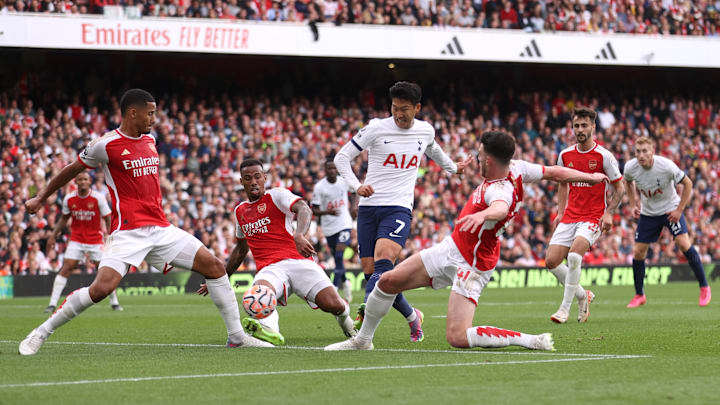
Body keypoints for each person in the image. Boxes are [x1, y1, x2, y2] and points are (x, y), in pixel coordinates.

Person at [19, 89, 271, 356]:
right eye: (150, 113)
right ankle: (41, 332)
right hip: (127, 232)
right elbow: (71, 169)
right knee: (101, 289)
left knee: (215, 267)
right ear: (133, 112)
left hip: (160, 229)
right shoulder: (105, 145)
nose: (154, 118)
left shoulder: (150, 140)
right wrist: (40, 198)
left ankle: (236, 337)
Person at [325, 131, 608, 351]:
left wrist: (484, 214)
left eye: (479, 154)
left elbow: (499, 206)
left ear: (488, 161)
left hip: (473, 265)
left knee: (457, 337)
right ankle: (362, 340)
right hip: (452, 247)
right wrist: (590, 177)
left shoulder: (501, 189)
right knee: (387, 281)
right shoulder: (519, 167)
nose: (476, 157)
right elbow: (553, 172)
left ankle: (530, 340)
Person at [334, 81, 472, 342]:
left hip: (398, 207)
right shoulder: (376, 128)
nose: (398, 114)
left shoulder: (425, 131)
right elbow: (341, 157)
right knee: (374, 274)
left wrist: (455, 168)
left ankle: (362, 330)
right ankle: (412, 316)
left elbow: (434, 152)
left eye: (405, 109)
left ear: (417, 108)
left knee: (383, 263)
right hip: (368, 208)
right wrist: (356, 186)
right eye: (395, 108)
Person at [198, 159, 356, 346]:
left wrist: (299, 235)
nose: (254, 182)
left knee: (334, 306)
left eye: (258, 177)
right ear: (241, 182)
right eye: (248, 178)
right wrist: (220, 278)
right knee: (259, 293)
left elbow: (304, 208)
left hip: (298, 262)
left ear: (265, 178)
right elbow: (241, 250)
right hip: (270, 269)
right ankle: (270, 331)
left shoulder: (277, 196)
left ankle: (348, 323)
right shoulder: (240, 211)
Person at [545, 107, 625, 324]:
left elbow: (620, 188)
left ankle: (564, 309)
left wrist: (609, 213)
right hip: (571, 215)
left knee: (573, 256)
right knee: (551, 261)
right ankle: (583, 295)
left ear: (593, 127)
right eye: (576, 126)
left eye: (584, 125)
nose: (579, 130)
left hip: (593, 216)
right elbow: (563, 183)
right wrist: (560, 212)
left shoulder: (604, 156)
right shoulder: (565, 155)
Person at [623, 136, 711, 307]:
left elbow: (688, 184)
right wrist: (633, 204)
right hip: (648, 213)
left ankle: (704, 287)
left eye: (645, 151)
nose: (641, 155)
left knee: (683, 244)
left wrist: (679, 210)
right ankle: (639, 295)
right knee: (639, 252)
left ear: (652, 151)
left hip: (670, 209)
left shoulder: (666, 166)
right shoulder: (630, 167)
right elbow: (627, 182)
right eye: (638, 152)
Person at [45, 172, 123, 313]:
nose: (82, 182)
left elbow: (107, 217)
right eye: (80, 179)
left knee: (105, 270)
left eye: (85, 179)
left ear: (89, 182)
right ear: (76, 182)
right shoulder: (69, 199)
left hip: (95, 239)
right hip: (77, 239)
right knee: (67, 267)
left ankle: (115, 302)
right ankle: (52, 304)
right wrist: (53, 235)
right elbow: (63, 219)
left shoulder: (98, 198)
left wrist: (111, 236)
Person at [311, 160, 355, 303]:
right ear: (325, 170)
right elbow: (314, 210)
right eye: (328, 168)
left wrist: (355, 206)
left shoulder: (343, 182)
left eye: (333, 168)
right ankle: (346, 283)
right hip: (329, 228)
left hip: (344, 224)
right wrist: (326, 212)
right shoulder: (319, 187)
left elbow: (357, 190)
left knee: (339, 254)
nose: (331, 171)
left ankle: (334, 288)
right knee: (338, 258)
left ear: (336, 169)